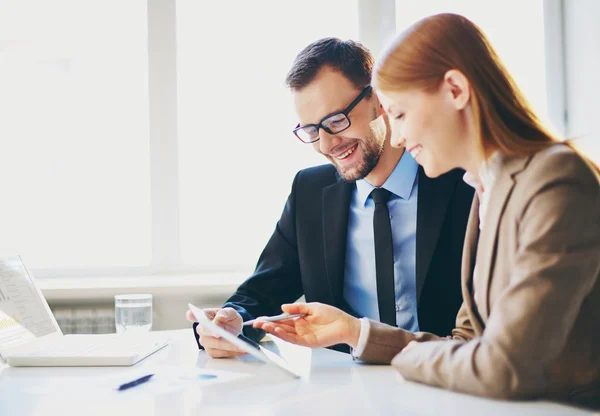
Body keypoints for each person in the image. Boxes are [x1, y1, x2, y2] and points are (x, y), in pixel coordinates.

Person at [253, 14, 600, 408]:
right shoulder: (488, 186)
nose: (397, 136)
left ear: (455, 90)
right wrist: (357, 333)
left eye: (399, 114)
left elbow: (506, 363)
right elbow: (467, 344)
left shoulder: (555, 178)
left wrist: (402, 358)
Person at [186, 37, 474, 357]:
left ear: (379, 100)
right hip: (346, 390)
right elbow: (262, 291)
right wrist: (231, 322)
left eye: (336, 121)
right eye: (311, 131)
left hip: (446, 378)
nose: (326, 145)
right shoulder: (309, 191)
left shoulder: (463, 182)